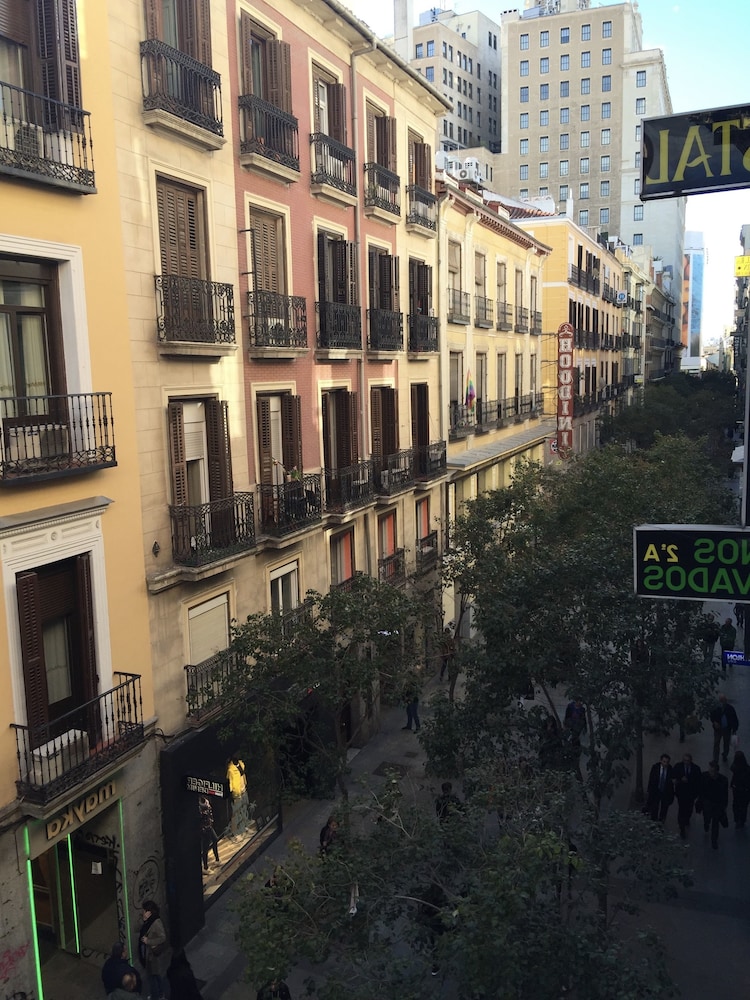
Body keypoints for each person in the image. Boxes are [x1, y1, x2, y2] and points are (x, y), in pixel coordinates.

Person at [138, 899, 169, 1000]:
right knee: (152, 976)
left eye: (144, 910)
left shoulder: (156, 922)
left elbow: (163, 937)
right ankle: (156, 994)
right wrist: (143, 920)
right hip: (147, 954)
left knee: (155, 976)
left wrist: (149, 941)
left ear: (149, 912)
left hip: (152, 956)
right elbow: (138, 929)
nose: (143, 912)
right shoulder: (147, 921)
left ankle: (159, 994)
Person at [697, 760, 729, 849]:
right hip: (707, 802)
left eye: (712, 771)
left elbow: (725, 794)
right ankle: (706, 824)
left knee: (716, 823)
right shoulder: (704, 776)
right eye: (710, 770)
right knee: (707, 817)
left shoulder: (723, 780)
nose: (710, 772)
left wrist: (724, 805)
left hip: (717, 804)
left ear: (717, 771)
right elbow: (701, 790)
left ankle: (714, 840)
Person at [672, 754, 701, 838]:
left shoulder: (696, 768)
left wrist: (697, 793)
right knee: (681, 809)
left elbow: (698, 781)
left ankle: (687, 819)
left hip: (691, 793)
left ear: (691, 761)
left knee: (689, 809)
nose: (686, 762)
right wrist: (680, 779)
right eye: (684, 760)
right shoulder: (678, 766)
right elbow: (673, 776)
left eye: (688, 761)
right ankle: (682, 828)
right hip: (681, 792)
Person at [645, 753, 675, 822]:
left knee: (664, 807)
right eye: (664, 761)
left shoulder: (670, 769)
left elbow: (671, 781)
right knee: (655, 806)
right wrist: (649, 790)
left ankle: (661, 820)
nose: (665, 764)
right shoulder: (655, 767)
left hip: (665, 791)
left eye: (667, 762)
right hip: (656, 790)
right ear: (661, 761)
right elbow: (651, 779)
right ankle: (653, 819)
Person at [709, 694, 739, 763]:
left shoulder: (730, 708)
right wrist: (714, 722)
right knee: (716, 743)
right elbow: (711, 716)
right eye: (721, 700)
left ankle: (725, 754)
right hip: (717, 729)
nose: (722, 702)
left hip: (727, 729)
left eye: (723, 700)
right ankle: (715, 759)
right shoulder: (715, 708)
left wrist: (734, 729)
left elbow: (734, 719)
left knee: (726, 743)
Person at [226, 755, 248, 836]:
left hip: (243, 789)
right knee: (236, 812)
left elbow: (243, 775)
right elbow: (229, 782)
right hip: (237, 793)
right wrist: (233, 792)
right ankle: (235, 832)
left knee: (244, 809)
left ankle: (243, 827)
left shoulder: (241, 764)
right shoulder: (231, 770)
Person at [198, 796, 220, 872]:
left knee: (215, 840)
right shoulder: (199, 806)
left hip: (209, 826)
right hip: (204, 828)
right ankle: (205, 867)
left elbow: (210, 812)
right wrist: (202, 828)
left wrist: (211, 820)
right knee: (205, 848)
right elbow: (199, 818)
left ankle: (217, 860)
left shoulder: (206, 801)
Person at [730, 749, 750, 828]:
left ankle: (737, 818)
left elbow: (732, 770)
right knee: (744, 806)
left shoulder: (735, 768)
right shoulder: (747, 769)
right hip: (745, 791)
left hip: (737, 789)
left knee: (736, 804)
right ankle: (742, 819)